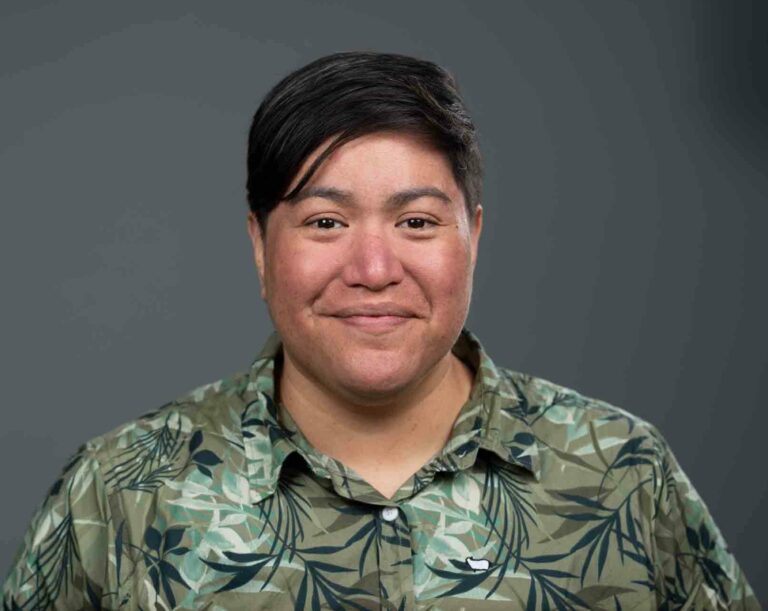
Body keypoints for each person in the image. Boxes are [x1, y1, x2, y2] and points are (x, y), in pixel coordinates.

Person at [2, 52, 759, 610]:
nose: (373, 269)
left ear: (474, 236)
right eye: (325, 222)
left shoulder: (622, 473)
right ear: (261, 245)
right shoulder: (124, 490)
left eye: (417, 222)